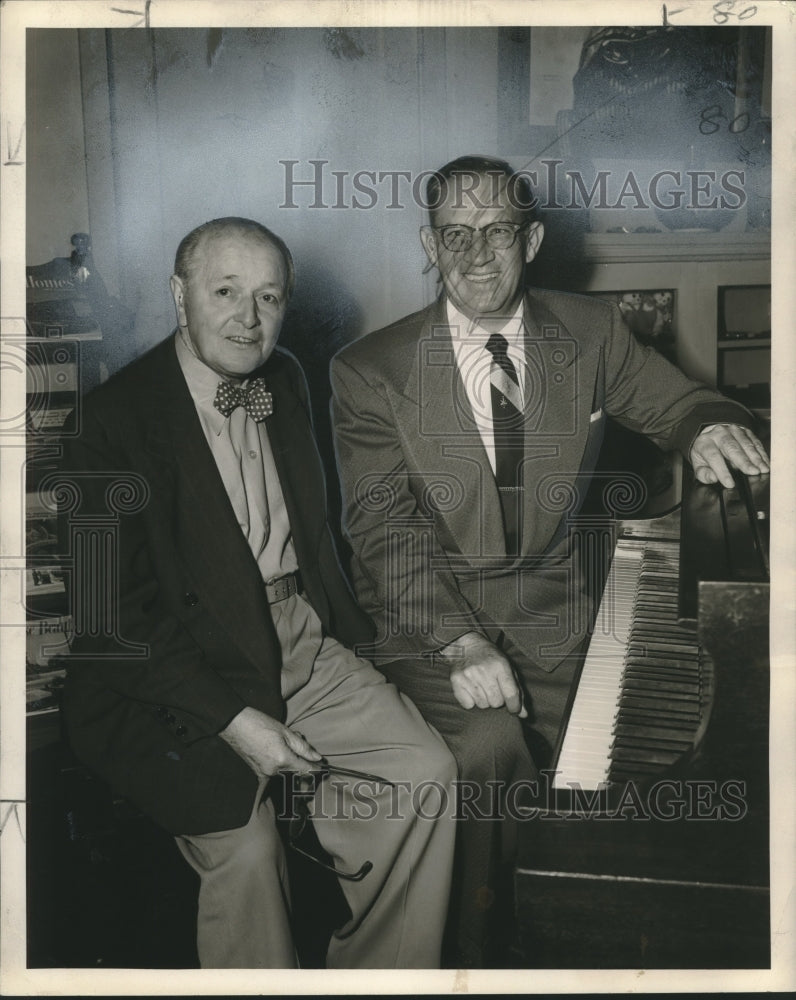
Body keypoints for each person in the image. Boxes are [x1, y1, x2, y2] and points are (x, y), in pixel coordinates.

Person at [329, 155, 769, 965]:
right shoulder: (371, 371)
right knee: (490, 753)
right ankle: (475, 956)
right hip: (434, 623)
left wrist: (705, 425)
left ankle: (591, 936)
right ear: (429, 245)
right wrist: (460, 645)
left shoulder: (590, 331)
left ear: (531, 239)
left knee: (643, 756)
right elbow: (384, 533)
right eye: (453, 235)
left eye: (495, 231)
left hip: (564, 614)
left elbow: (679, 402)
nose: (474, 255)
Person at [58, 217, 456, 969]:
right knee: (246, 851)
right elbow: (109, 624)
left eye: (269, 297)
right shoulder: (106, 424)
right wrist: (238, 722)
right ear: (180, 298)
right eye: (225, 292)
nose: (248, 318)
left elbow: (318, 536)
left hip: (297, 637)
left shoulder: (286, 379)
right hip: (162, 678)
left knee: (424, 774)